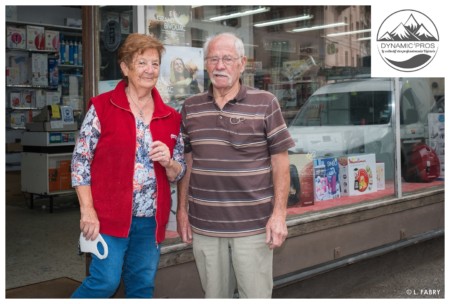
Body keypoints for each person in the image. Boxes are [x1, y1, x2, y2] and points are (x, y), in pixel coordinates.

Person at [176, 32, 295, 298]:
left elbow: (280, 162)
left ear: (242, 63)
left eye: (227, 59)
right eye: (214, 59)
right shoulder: (191, 107)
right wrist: (182, 211)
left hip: (253, 226)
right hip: (205, 226)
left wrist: (279, 215)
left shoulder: (265, 103)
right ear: (206, 64)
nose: (220, 65)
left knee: (255, 296)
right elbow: (187, 160)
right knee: (214, 296)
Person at [71, 33, 186, 298]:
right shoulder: (103, 107)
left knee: (142, 285)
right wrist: (87, 210)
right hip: (109, 217)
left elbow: (179, 170)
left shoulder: (170, 116)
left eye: (155, 63)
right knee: (105, 282)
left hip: (150, 220)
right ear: (125, 67)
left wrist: (169, 162)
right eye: (142, 63)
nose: (149, 70)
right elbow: (80, 161)